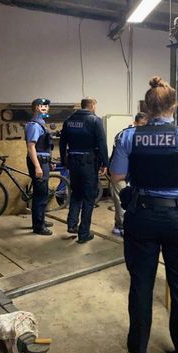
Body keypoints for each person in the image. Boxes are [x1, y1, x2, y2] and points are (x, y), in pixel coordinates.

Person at [110, 76, 178, 353]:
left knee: (141, 282)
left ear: (147, 106)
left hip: (142, 216)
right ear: (174, 105)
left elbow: (116, 175)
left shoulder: (129, 136)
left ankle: (138, 348)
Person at [59, 97, 108, 244]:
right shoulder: (95, 120)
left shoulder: (69, 120)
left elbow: (62, 142)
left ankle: (72, 224)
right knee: (88, 198)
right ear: (92, 106)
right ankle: (84, 233)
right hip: (88, 163)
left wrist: (64, 160)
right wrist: (105, 163)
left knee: (76, 194)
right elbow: (101, 143)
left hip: (73, 161)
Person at [110, 112, 148, 236]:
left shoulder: (147, 136)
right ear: (135, 123)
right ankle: (121, 226)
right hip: (120, 172)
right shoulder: (124, 135)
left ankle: (128, 225)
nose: (143, 127)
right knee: (121, 200)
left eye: (145, 125)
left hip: (135, 173)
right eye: (141, 124)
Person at [25, 98, 54, 236]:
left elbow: (45, 147)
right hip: (39, 162)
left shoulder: (41, 123)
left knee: (43, 193)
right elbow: (31, 147)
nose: (46, 108)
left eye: (47, 106)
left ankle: (40, 219)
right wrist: (37, 167)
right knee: (40, 195)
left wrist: (50, 161)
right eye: (43, 106)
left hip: (44, 161)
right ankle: (38, 226)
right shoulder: (34, 125)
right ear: (36, 108)